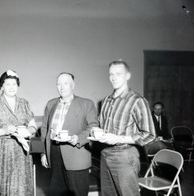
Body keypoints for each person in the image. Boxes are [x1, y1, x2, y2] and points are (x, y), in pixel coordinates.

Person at [92, 60, 156, 196]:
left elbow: (149, 134)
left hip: (125, 156)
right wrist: (95, 131)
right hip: (105, 154)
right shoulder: (106, 101)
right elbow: (100, 124)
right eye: (111, 74)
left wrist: (119, 138)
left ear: (127, 76)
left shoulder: (137, 101)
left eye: (118, 74)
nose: (113, 78)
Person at [0, 70, 37, 196]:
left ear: (18, 86)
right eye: (7, 84)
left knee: (20, 187)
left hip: (21, 152)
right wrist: (4, 130)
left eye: (14, 84)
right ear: (1, 86)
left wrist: (28, 131)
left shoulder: (25, 103)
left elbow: (33, 126)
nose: (11, 87)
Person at [41, 72, 98, 196]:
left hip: (76, 155)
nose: (62, 87)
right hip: (54, 154)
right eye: (59, 84)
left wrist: (78, 138)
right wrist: (44, 153)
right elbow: (44, 129)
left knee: (77, 192)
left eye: (65, 83)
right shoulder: (51, 104)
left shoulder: (86, 104)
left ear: (73, 85)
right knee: (56, 192)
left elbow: (93, 126)